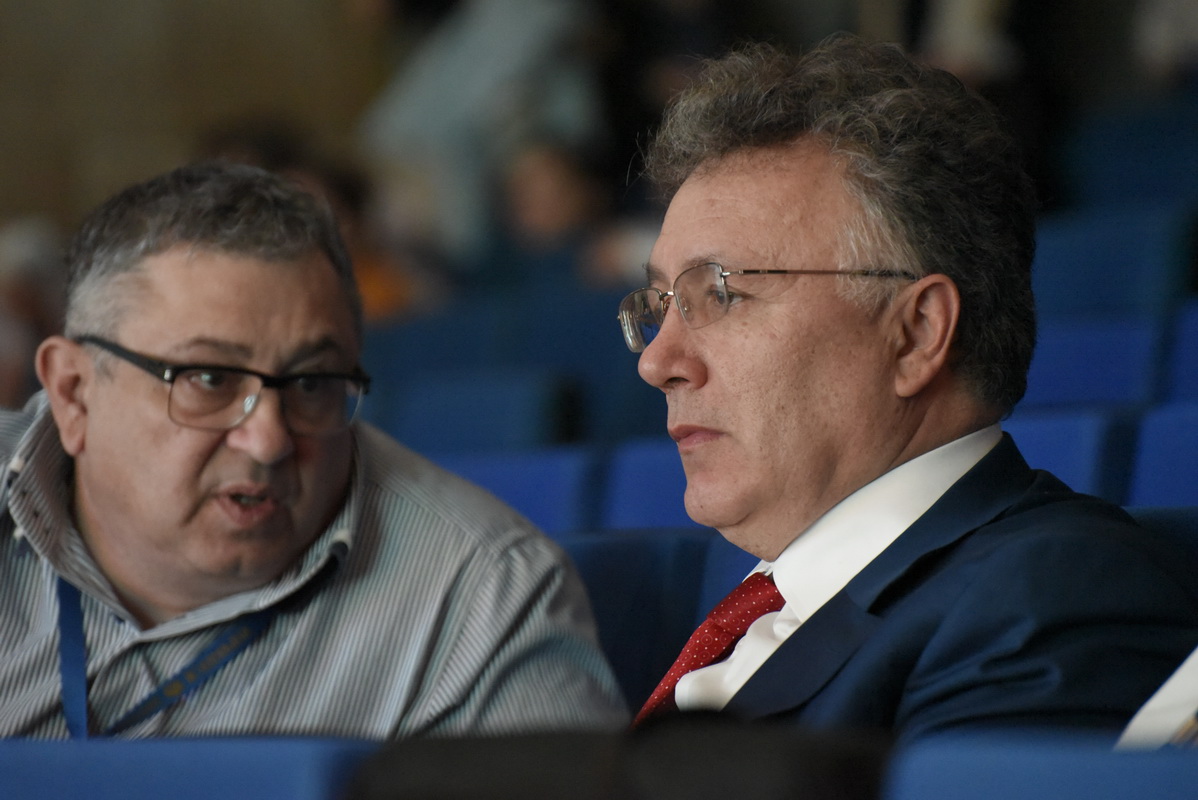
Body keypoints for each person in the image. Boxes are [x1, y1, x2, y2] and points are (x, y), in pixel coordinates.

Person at [616, 35, 1198, 741]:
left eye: (721, 294)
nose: (658, 362)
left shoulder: (1055, 597)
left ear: (917, 333)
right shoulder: (747, 605)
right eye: (660, 305)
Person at [0, 160, 627, 739]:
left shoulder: (479, 599)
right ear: (74, 393)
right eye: (211, 380)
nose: (270, 439)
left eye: (311, 384)